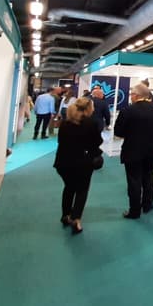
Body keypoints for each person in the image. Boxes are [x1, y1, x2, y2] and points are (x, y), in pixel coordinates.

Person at [114, 83, 153, 219]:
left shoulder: (127, 111)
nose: (131, 97)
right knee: (148, 176)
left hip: (132, 150)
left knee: (134, 180)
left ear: (136, 95)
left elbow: (118, 132)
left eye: (131, 94)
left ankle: (134, 211)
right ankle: (148, 205)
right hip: (152, 149)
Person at [53, 97, 103, 235]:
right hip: (83, 162)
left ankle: (66, 215)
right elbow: (97, 142)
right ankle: (76, 219)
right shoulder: (91, 123)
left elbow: (60, 141)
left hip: (63, 163)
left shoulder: (65, 123)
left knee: (69, 187)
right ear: (88, 108)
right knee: (82, 190)